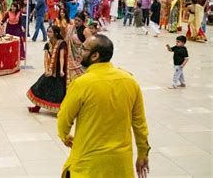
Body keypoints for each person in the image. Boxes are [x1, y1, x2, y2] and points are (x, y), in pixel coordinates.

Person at [58, 35, 150, 178]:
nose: (80, 51)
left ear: (95, 56)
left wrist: (65, 136)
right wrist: (143, 153)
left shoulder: (81, 84)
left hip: (88, 164)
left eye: (84, 49)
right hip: (120, 165)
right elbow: (140, 124)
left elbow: (64, 119)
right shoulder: (130, 81)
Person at [27, 25, 67, 113]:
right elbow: (45, 58)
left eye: (50, 32)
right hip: (50, 69)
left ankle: (60, 110)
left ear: (56, 33)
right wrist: (46, 70)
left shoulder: (61, 43)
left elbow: (61, 58)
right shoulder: (47, 44)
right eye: (48, 31)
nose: (48, 34)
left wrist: (61, 70)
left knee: (59, 91)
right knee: (41, 85)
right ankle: (37, 107)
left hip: (58, 71)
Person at [65, 12, 91, 86]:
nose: (76, 22)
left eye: (79, 20)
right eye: (75, 20)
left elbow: (89, 44)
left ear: (83, 22)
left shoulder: (86, 30)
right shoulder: (71, 28)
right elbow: (66, 40)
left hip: (81, 58)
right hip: (70, 57)